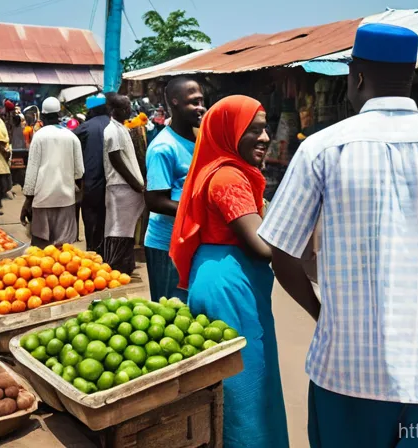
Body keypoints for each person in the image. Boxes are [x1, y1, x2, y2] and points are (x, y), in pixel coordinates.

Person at [258, 24, 418, 447]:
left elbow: (281, 253)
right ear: (411, 77)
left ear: (357, 78)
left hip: (344, 374)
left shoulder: (322, 148)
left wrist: (324, 315)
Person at [169, 95, 287, 448]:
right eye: (253, 130)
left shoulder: (225, 170)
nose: (264, 138)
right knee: (246, 383)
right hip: (230, 283)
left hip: (222, 273)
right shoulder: (229, 177)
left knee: (241, 377)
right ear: (228, 132)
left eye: (265, 129)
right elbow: (261, 247)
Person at [144, 77, 206, 302]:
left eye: (201, 100)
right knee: (171, 310)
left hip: (193, 239)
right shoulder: (163, 147)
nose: (200, 107)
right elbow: (155, 201)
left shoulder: (200, 138)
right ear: (175, 102)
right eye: (193, 102)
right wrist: (198, 213)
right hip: (167, 244)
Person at [21, 97, 84, 248]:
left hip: (42, 199)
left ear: (42, 116)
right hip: (66, 199)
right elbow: (79, 173)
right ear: (59, 114)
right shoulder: (72, 137)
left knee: (41, 248)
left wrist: (27, 201)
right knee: (63, 249)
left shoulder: (39, 137)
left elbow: (31, 172)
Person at [103, 93, 145, 275]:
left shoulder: (122, 128)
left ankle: (125, 264)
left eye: (128, 107)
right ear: (114, 110)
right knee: (119, 227)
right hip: (121, 187)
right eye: (124, 108)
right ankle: (116, 265)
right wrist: (136, 184)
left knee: (126, 228)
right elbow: (116, 160)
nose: (129, 111)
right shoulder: (111, 130)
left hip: (127, 187)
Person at [73, 94, 110, 252]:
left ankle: (91, 249)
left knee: (90, 217)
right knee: (106, 219)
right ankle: (104, 251)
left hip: (90, 181)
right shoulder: (116, 126)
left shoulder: (84, 128)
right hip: (113, 182)